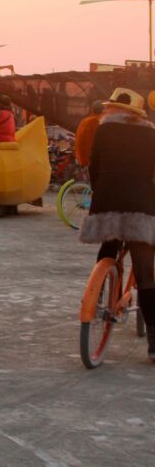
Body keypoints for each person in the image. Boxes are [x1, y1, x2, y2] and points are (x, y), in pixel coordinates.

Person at [79, 88, 155, 362]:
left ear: (113, 109)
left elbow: (94, 167)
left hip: (107, 201)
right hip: (140, 205)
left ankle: (97, 297)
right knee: (146, 272)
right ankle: (154, 342)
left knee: (108, 248)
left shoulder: (104, 130)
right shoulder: (150, 133)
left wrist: (101, 192)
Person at [74, 100, 103, 166]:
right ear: (103, 111)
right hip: (91, 161)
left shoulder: (85, 120)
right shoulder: (96, 121)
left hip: (81, 158)